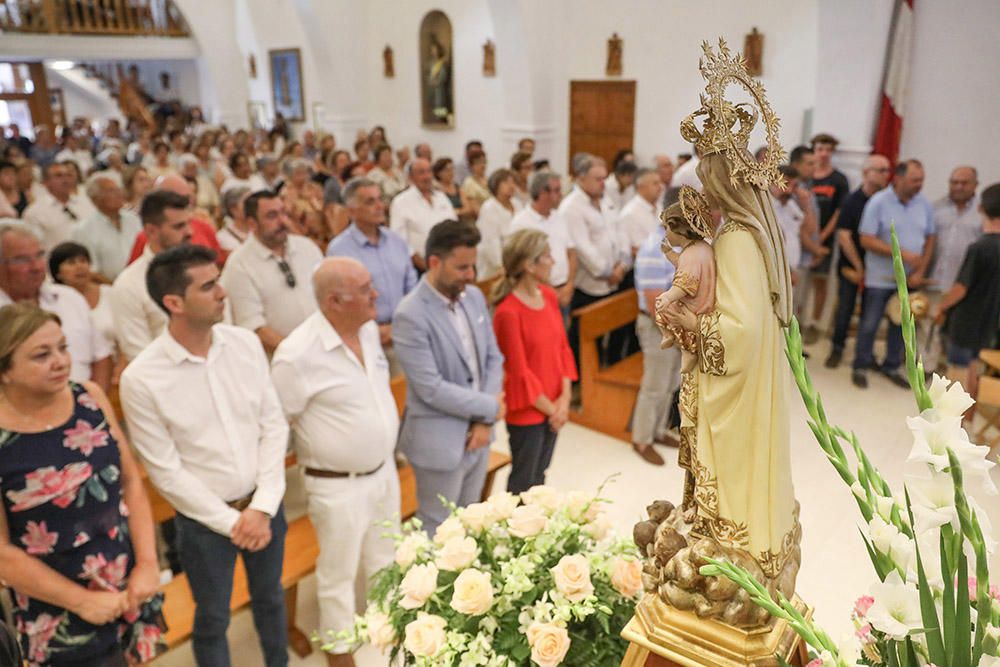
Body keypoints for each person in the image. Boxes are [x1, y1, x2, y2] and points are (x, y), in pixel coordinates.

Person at [120, 245, 289, 667]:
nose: (223, 293)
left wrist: (263, 505)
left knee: (271, 599)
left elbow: (273, 425)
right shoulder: (142, 378)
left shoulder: (244, 344)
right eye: (209, 286)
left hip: (265, 504)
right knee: (212, 617)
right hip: (205, 523)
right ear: (174, 303)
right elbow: (166, 471)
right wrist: (235, 522)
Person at [0, 304, 166, 665]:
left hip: (126, 578)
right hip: (56, 601)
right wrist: (82, 601)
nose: (60, 361)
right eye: (42, 355)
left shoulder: (88, 395)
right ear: (6, 370)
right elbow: (2, 552)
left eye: (63, 347)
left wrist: (148, 564)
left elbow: (131, 484)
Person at [271, 258, 399, 667]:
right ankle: (341, 654)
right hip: (337, 484)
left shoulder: (367, 332)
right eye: (365, 289)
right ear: (334, 301)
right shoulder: (296, 355)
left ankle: (389, 632)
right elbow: (276, 425)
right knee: (337, 576)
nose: (375, 294)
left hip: (384, 470)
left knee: (386, 557)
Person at [392, 220, 504, 536]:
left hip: (480, 435)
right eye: (462, 268)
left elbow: (493, 357)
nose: (471, 275)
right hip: (439, 440)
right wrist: (490, 407)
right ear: (434, 262)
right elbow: (430, 388)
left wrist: (485, 422)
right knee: (439, 529)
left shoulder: (473, 298)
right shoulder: (410, 314)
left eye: (473, 266)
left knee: (470, 521)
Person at [491, 229, 576, 493]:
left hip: (553, 403)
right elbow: (519, 373)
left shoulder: (549, 296)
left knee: (540, 474)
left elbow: (562, 349)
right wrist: (553, 410)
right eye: (547, 256)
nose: (553, 262)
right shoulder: (508, 313)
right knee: (523, 481)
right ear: (529, 265)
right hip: (529, 410)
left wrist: (564, 399)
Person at [852, 159, 936, 389]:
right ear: (898, 178)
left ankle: (891, 365)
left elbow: (930, 237)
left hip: (910, 280)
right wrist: (902, 255)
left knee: (901, 327)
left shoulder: (924, 205)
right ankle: (861, 363)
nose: (919, 184)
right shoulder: (878, 203)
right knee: (870, 323)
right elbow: (866, 239)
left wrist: (921, 268)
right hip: (880, 279)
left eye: (921, 180)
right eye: (914, 179)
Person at [0, 225, 112, 391]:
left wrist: (93, 404)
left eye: (39, 256)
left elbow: (101, 357)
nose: (36, 267)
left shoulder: (70, 298)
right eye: (22, 260)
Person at [326, 177, 417, 376]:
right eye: (370, 202)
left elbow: (412, 288)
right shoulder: (340, 250)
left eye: (379, 199)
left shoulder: (396, 241)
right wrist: (374, 331)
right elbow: (342, 302)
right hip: (366, 340)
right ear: (351, 211)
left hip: (405, 332)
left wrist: (403, 325)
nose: (379, 206)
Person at [220, 190, 323, 355]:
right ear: (252, 224)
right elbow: (255, 329)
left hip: (324, 349)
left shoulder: (307, 248)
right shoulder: (239, 264)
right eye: (271, 216)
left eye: (283, 213)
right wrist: (300, 355)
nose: (283, 221)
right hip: (282, 361)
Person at [933, 182, 1000, 404]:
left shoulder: (979, 247)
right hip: (989, 321)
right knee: (973, 371)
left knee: (958, 376)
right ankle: (968, 425)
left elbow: (961, 288)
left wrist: (942, 306)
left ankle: (955, 426)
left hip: (966, 322)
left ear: (981, 208)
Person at [824, 154, 892, 369]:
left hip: (877, 268)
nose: (885, 175)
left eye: (887, 170)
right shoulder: (852, 201)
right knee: (845, 308)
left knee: (870, 313)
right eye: (880, 170)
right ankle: (837, 348)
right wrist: (859, 266)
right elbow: (844, 236)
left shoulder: (887, 202)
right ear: (866, 173)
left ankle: (865, 354)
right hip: (851, 265)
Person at [110, 190, 193, 362]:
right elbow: (140, 357)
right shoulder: (128, 285)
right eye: (179, 226)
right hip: (166, 380)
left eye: (188, 223)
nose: (189, 232)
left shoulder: (202, 269)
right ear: (151, 231)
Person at [562, 153, 627, 364]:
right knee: (582, 341)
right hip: (588, 285)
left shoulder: (605, 199)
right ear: (581, 178)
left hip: (613, 281)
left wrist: (623, 264)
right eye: (598, 179)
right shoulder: (571, 207)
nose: (603, 183)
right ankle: (578, 383)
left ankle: (598, 375)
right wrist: (608, 272)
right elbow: (583, 248)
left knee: (602, 335)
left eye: (604, 178)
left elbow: (620, 230)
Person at [631, 203, 681, 467]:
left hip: (673, 325)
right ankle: (641, 440)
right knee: (654, 385)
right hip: (656, 326)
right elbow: (653, 303)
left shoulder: (675, 246)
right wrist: (671, 329)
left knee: (671, 382)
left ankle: (658, 431)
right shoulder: (653, 249)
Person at [925, 166, 981, 371]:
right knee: (929, 329)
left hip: (963, 285)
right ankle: (928, 369)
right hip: (935, 280)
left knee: (956, 332)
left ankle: (954, 373)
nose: (958, 187)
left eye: (964, 183)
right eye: (954, 182)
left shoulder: (982, 213)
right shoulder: (935, 208)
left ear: (975, 185)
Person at [510, 171, 576, 314]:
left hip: (564, 289)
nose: (561, 195)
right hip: (537, 291)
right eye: (557, 190)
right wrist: (551, 291)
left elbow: (571, 253)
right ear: (542, 193)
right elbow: (523, 264)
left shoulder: (559, 217)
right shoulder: (521, 223)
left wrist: (569, 285)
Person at [389, 158, 456, 272]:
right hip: (418, 267)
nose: (427, 176)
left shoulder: (441, 197)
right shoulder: (401, 202)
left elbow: (455, 228)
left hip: (448, 262)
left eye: (429, 171)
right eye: (421, 173)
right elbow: (399, 240)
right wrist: (424, 266)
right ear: (411, 177)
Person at [49, 241, 116, 353]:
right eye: (71, 263)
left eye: (83, 261)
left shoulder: (110, 293)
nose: (79, 267)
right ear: (57, 273)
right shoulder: (52, 301)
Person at [71, 176, 142, 281]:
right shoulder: (84, 230)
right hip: (108, 288)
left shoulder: (134, 219)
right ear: (95, 199)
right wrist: (117, 288)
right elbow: (91, 271)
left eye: (119, 190)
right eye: (111, 191)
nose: (119, 194)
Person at [22, 162, 96, 250]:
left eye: (68, 175)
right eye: (59, 176)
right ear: (46, 182)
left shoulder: (87, 204)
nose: (65, 180)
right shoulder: (34, 212)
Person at [475, 168, 522, 280]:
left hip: (516, 260)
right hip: (495, 266)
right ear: (496, 185)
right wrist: (500, 265)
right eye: (506, 182)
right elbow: (490, 241)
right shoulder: (489, 208)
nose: (511, 186)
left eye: (513, 182)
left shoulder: (517, 204)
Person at [769, 165, 808, 289]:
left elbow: (808, 231)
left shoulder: (791, 205)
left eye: (795, 186)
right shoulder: (765, 207)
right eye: (785, 184)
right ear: (771, 182)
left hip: (789, 273)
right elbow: (773, 243)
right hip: (775, 272)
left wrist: (806, 205)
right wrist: (788, 271)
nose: (790, 190)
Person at [618, 168, 665, 257]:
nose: (661, 187)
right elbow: (636, 249)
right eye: (655, 183)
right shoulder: (630, 214)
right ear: (641, 187)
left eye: (660, 182)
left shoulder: (659, 206)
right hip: (648, 263)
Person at [217, 186, 252, 252]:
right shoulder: (222, 237)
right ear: (234, 209)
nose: (253, 207)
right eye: (248, 203)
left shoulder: (261, 232)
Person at [460, 149, 491, 217]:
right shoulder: (469, 183)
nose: (482, 165)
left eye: (484, 162)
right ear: (471, 166)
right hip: (482, 218)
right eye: (479, 162)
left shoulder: (489, 180)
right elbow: (475, 209)